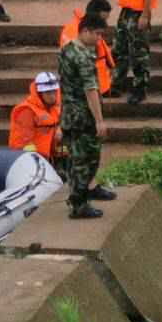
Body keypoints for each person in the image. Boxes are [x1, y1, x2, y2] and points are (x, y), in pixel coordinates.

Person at [58, 14, 116, 219]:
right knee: (88, 159)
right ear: (85, 31)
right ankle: (79, 204)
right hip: (83, 116)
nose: (99, 39)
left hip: (69, 114)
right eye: (97, 34)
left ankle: (79, 196)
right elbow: (91, 89)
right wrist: (99, 120)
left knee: (75, 158)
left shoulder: (66, 50)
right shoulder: (82, 57)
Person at [59, 0, 115, 96]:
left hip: (98, 86)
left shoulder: (92, 29)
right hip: (84, 88)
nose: (105, 22)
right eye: (103, 18)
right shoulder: (73, 30)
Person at [8, 72, 62, 164]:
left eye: (54, 91)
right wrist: (36, 160)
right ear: (39, 94)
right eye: (48, 92)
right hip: (29, 160)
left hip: (47, 158)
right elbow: (22, 143)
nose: (52, 96)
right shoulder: (26, 111)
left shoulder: (54, 109)